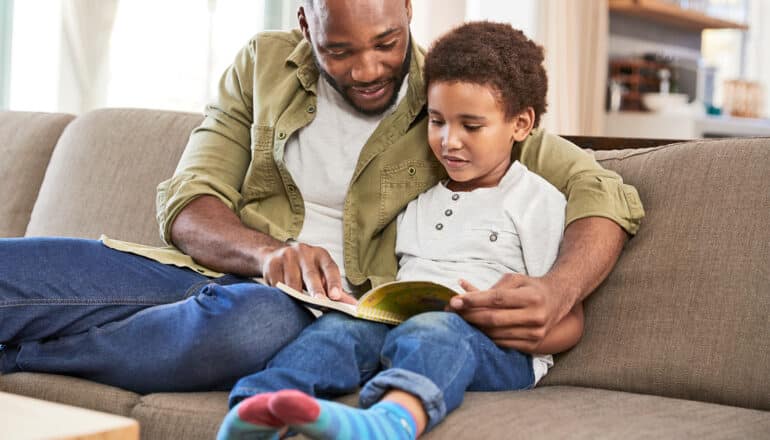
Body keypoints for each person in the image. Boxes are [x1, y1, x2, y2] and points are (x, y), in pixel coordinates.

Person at [0, 0, 642, 399]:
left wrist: (559, 290)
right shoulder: (262, 66)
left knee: (256, 323)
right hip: (209, 274)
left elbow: (602, 189)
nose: (366, 69)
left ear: (409, 12)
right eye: (339, 49)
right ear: (304, 20)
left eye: (386, 43)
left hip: (304, 313)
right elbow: (191, 201)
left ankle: (25, 358)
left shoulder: (451, 95)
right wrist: (269, 254)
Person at [216, 21, 583, 440]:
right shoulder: (418, 201)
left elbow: (570, 320)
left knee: (436, 331)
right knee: (339, 330)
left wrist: (516, 326)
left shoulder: (536, 200)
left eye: (471, 126)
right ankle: (261, 408)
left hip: (495, 350)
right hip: (402, 327)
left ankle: (392, 421)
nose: (449, 141)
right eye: (438, 121)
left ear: (520, 124)